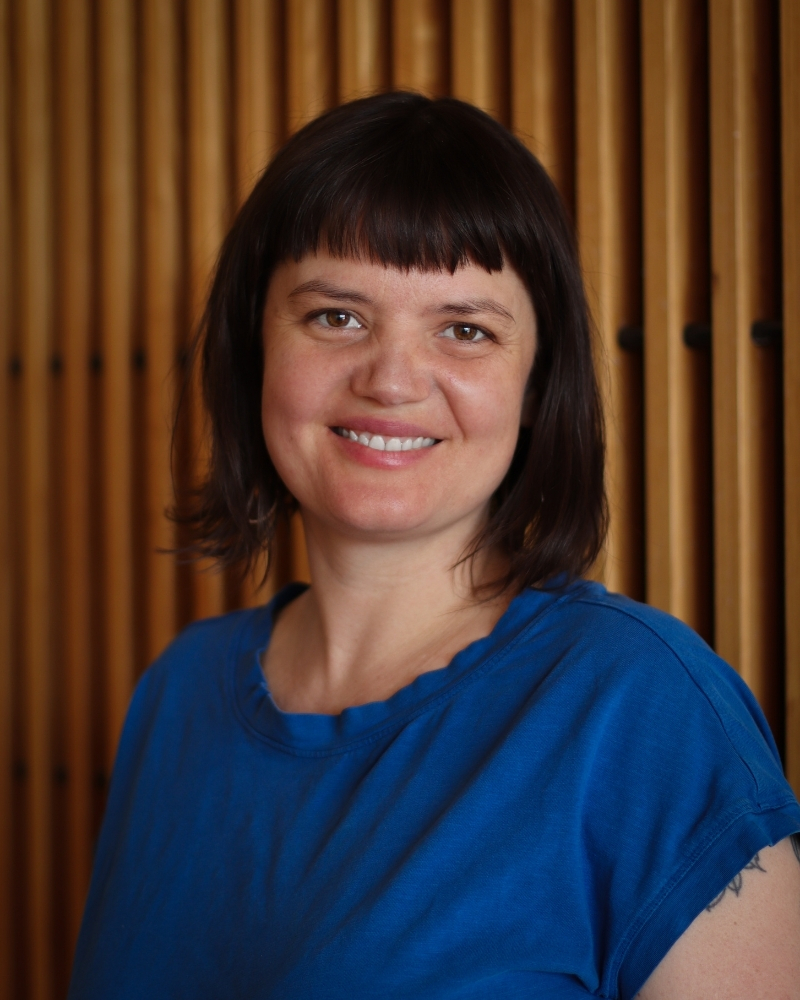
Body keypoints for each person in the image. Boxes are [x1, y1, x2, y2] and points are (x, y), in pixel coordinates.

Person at [68, 93, 800, 999]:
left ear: (538, 384)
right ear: (254, 345)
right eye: (337, 315)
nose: (392, 379)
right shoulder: (178, 692)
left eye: (465, 330)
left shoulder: (641, 711)